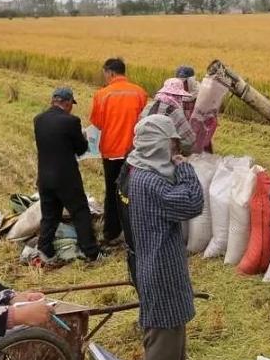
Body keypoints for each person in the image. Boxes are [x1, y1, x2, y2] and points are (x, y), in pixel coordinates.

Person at [120, 115, 203, 360]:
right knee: (163, 343)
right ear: (157, 145)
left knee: (174, 337)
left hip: (157, 264)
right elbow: (192, 203)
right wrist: (185, 170)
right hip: (161, 271)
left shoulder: (139, 171)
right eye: (172, 145)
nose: (175, 151)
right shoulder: (151, 182)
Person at [33, 87, 103, 265]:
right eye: (72, 104)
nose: (72, 107)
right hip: (66, 177)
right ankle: (91, 253)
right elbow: (80, 149)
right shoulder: (71, 121)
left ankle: (45, 250)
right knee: (80, 212)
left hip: (44, 177)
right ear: (66, 102)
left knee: (49, 215)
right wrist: (84, 138)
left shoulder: (39, 120)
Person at [90, 58, 148, 246]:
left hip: (111, 151)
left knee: (113, 191)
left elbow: (97, 123)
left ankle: (111, 232)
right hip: (135, 152)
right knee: (134, 191)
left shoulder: (102, 95)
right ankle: (137, 232)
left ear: (110, 73)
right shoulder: (140, 93)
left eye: (104, 74)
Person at [141, 78, 196, 154]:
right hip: (163, 157)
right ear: (178, 96)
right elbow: (189, 141)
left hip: (142, 152)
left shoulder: (149, 106)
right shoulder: (175, 112)